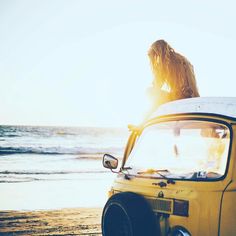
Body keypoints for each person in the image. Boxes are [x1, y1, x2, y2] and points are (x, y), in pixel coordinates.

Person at [146, 39, 200, 117]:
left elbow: (157, 86)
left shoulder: (167, 62)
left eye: (155, 56)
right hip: (193, 98)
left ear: (159, 53)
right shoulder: (181, 59)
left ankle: (143, 123)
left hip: (181, 98)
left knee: (150, 92)